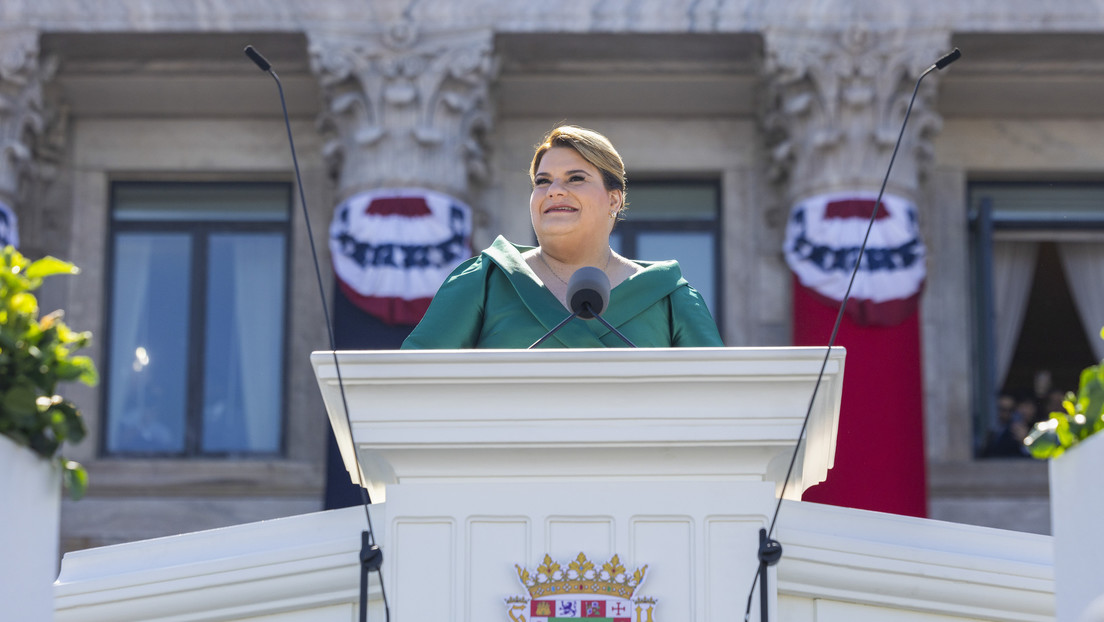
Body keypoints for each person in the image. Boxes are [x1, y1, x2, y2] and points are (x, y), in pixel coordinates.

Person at [401, 125, 723, 349]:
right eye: (542, 181)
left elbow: (722, 401)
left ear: (614, 199)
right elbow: (409, 388)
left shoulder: (669, 296)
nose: (554, 191)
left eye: (575, 178)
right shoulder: (485, 281)